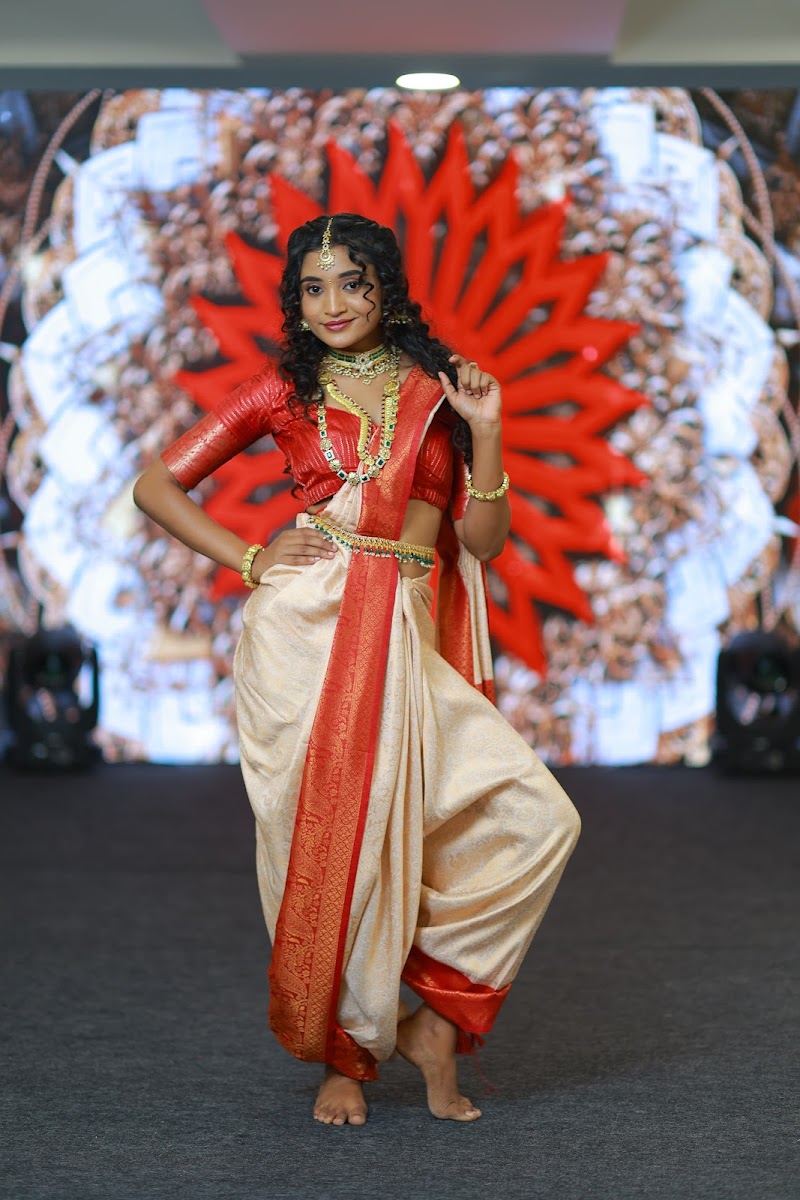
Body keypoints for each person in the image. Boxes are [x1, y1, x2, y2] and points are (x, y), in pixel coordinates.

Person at [133, 212, 580, 1127]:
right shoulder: (281, 390)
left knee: (537, 819)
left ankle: (431, 1026)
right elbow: (155, 484)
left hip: (403, 624)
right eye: (313, 287)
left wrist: (488, 431)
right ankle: (346, 1052)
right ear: (295, 301)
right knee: (333, 841)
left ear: (387, 287)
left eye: (351, 281)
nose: (332, 303)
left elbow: (482, 541)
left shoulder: (440, 390)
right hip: (308, 629)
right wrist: (250, 558)